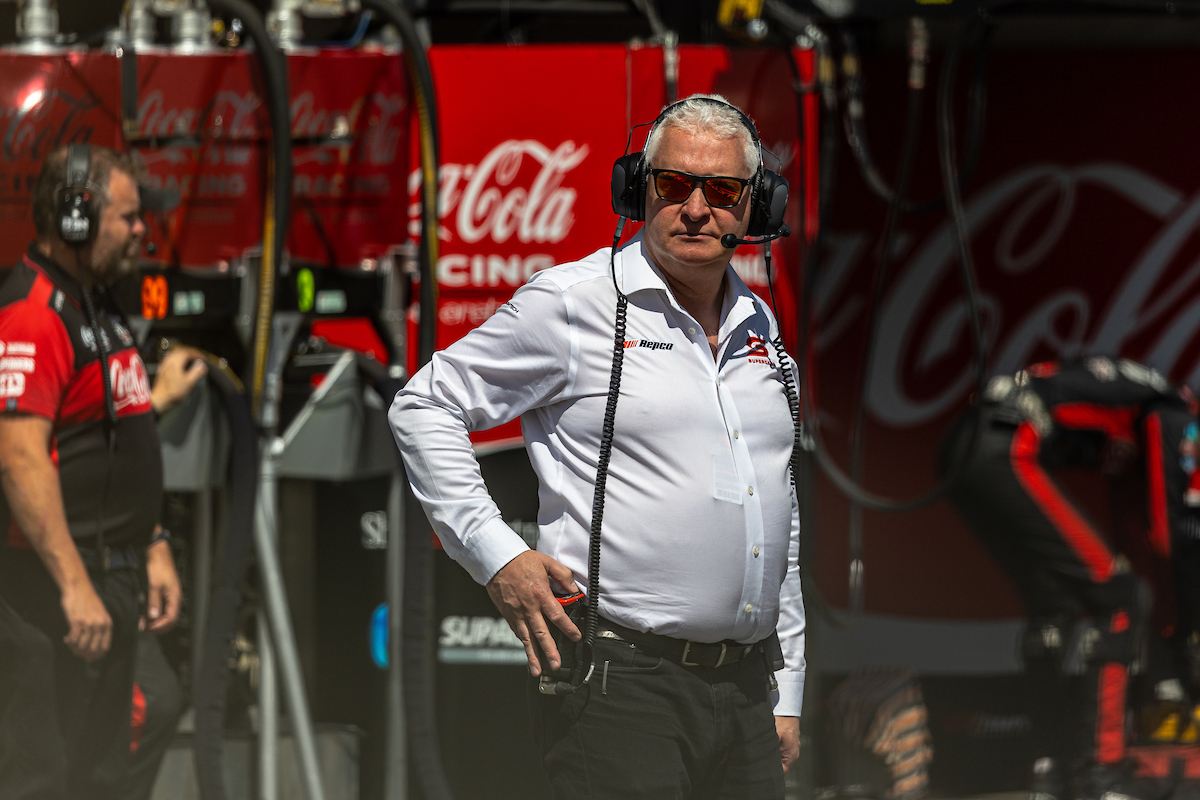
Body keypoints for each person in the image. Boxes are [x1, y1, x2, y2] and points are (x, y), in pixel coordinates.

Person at [390, 94, 805, 799]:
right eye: (674, 185)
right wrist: (499, 556)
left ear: (756, 206)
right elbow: (424, 404)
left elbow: (776, 517)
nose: (697, 208)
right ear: (637, 191)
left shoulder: (759, 320)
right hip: (619, 686)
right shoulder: (574, 301)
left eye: (723, 190)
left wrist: (788, 686)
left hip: (744, 694)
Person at [0, 144, 205, 800]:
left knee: (103, 770)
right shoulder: (35, 310)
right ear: (77, 220)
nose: (143, 230)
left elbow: (109, 434)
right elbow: (20, 456)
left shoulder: (93, 297)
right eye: (129, 217)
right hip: (54, 587)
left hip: (111, 571)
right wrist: (72, 586)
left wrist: (151, 543)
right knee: (48, 776)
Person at [942, 358, 1200, 800]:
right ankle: (1104, 773)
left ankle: (1048, 767)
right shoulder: (1176, 411)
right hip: (1008, 445)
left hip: (961, 448)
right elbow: (1169, 531)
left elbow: (1131, 531)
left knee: (1054, 608)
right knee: (1121, 598)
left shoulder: (1136, 400)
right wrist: (1188, 631)